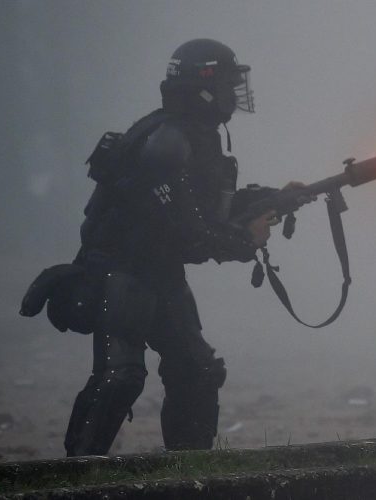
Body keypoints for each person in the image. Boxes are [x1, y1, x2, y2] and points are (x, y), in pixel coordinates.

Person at [62, 39, 284, 456]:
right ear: (204, 86)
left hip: (159, 272)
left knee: (196, 370)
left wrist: (274, 198)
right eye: (227, 83)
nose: (233, 93)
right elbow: (190, 234)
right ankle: (76, 476)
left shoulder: (194, 136)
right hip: (122, 273)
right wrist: (246, 239)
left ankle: (188, 469)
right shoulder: (167, 142)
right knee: (120, 377)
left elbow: (202, 209)